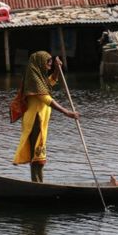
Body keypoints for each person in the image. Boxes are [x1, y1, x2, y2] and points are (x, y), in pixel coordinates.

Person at [13, 51, 79, 182]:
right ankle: (36, 183)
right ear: (40, 63)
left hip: (41, 122)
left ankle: (38, 182)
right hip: (35, 121)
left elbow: (51, 82)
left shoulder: (40, 79)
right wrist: (67, 112)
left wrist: (56, 69)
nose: (49, 64)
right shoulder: (32, 80)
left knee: (39, 155)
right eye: (47, 62)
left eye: (50, 62)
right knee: (36, 156)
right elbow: (46, 99)